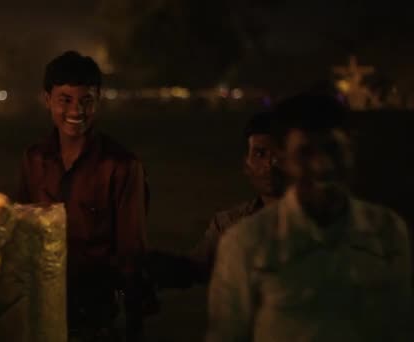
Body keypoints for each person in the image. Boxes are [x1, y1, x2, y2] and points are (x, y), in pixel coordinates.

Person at [207, 94, 412, 341]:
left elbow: (401, 326)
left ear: (351, 152)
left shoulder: (386, 232)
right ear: (283, 160)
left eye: (332, 149)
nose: (322, 165)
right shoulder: (247, 242)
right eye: (305, 153)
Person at [16, 51, 150, 341]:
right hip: (40, 303)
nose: (76, 111)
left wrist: (133, 319)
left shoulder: (121, 166)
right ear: (47, 99)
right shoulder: (34, 159)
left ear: (98, 100)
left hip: (96, 315)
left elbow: (132, 250)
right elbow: (21, 230)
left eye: (86, 100)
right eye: (65, 100)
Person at [146, 111, 285, 288]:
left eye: (278, 155)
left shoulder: (320, 220)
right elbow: (195, 268)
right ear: (246, 164)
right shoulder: (230, 223)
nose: (269, 164)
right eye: (260, 154)